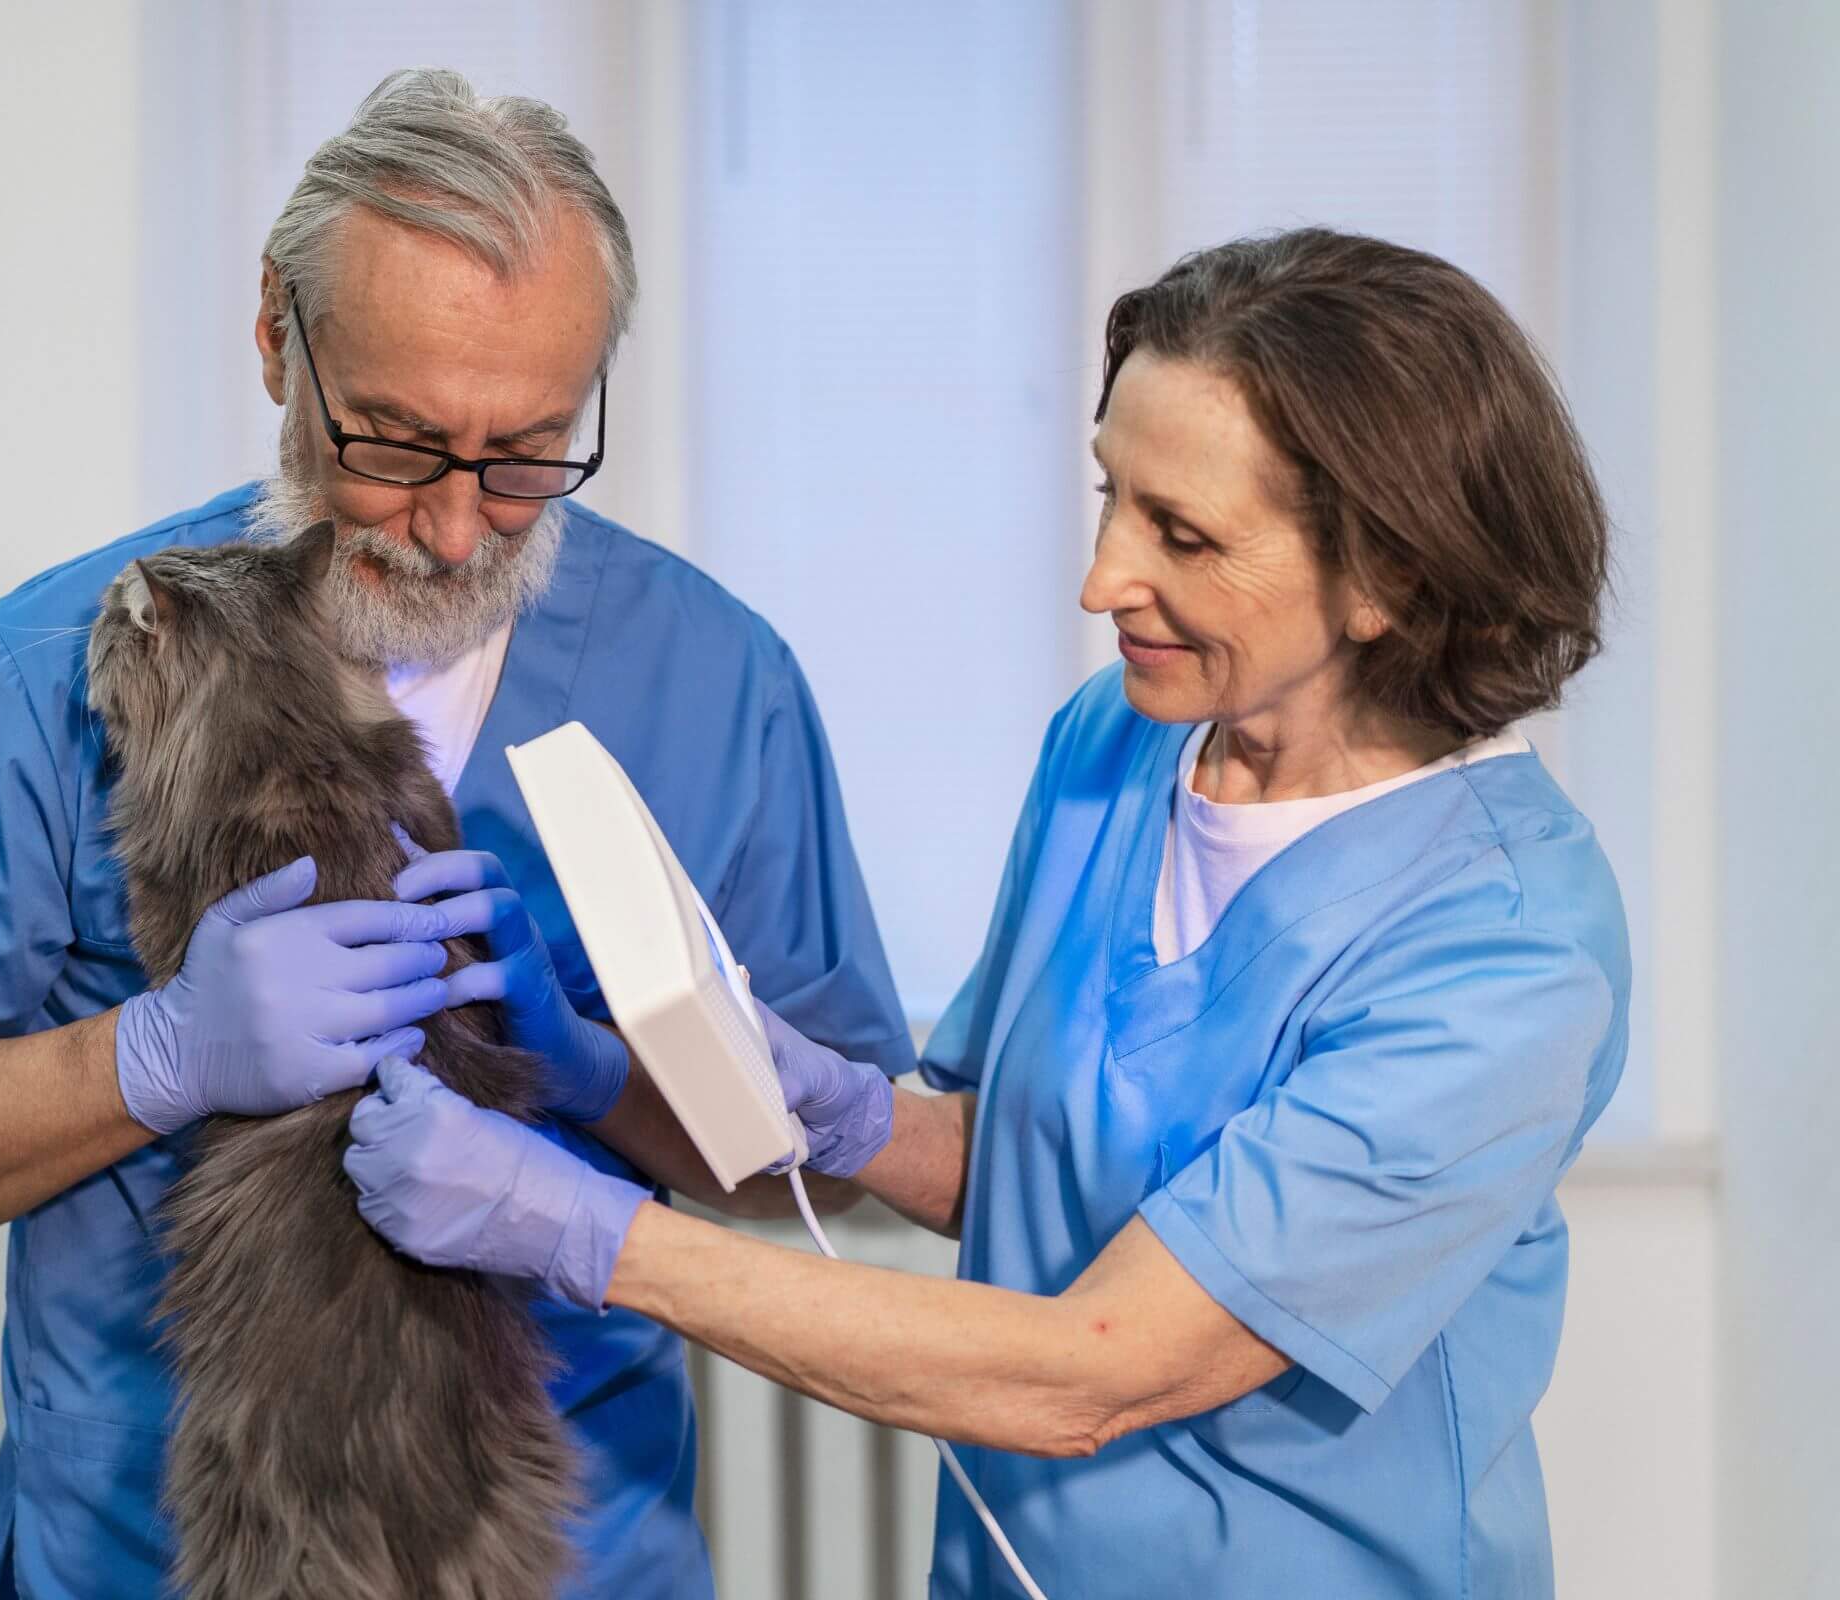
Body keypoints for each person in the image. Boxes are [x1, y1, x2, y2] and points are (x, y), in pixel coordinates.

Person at [0, 69, 911, 1600]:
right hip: (151, 1560)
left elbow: (822, 1171)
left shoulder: (714, 680)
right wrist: (151, 1057)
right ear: (277, 340)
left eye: (526, 452)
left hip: (567, 1559)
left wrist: (606, 1085)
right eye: (398, 443)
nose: (453, 524)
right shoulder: (63, 677)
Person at [346, 228, 1630, 1599]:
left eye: (1182, 535)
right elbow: (1015, 1168)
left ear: (1395, 579)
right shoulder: (1121, 743)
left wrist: (584, 1232)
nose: (1103, 581)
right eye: (1111, 499)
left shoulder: (1504, 951)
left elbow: (1101, 1369)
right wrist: (807, 1103)